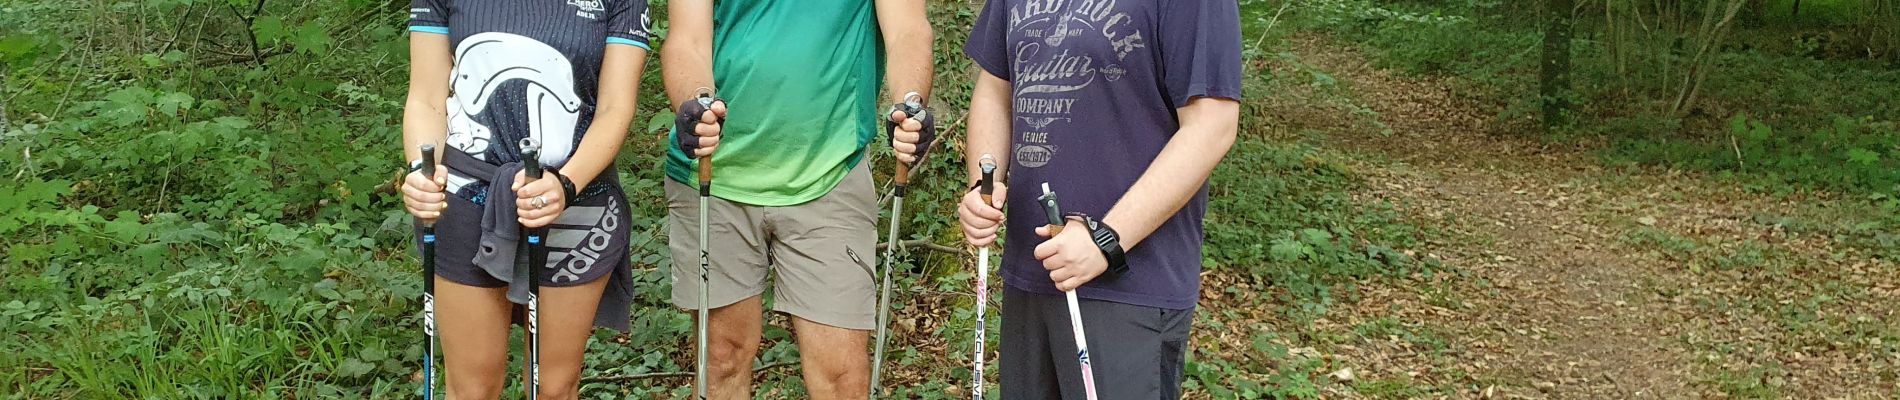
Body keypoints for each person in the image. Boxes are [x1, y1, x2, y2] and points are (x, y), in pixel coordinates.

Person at [955, 0, 1243, 398]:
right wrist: (982, 185)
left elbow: (1213, 124)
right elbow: (994, 90)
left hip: (1129, 285)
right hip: (1031, 274)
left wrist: (1106, 237)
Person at [660, 0, 935, 398]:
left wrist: (910, 101)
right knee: (722, 357)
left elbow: (908, 30)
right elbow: (686, 39)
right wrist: (696, 101)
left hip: (830, 169)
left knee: (843, 376)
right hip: (715, 171)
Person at [399, 0, 652, 398]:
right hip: (466, 192)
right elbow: (426, 97)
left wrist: (566, 185)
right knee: (472, 388)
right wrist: (421, 168)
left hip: (578, 195)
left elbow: (615, 108)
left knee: (553, 387)